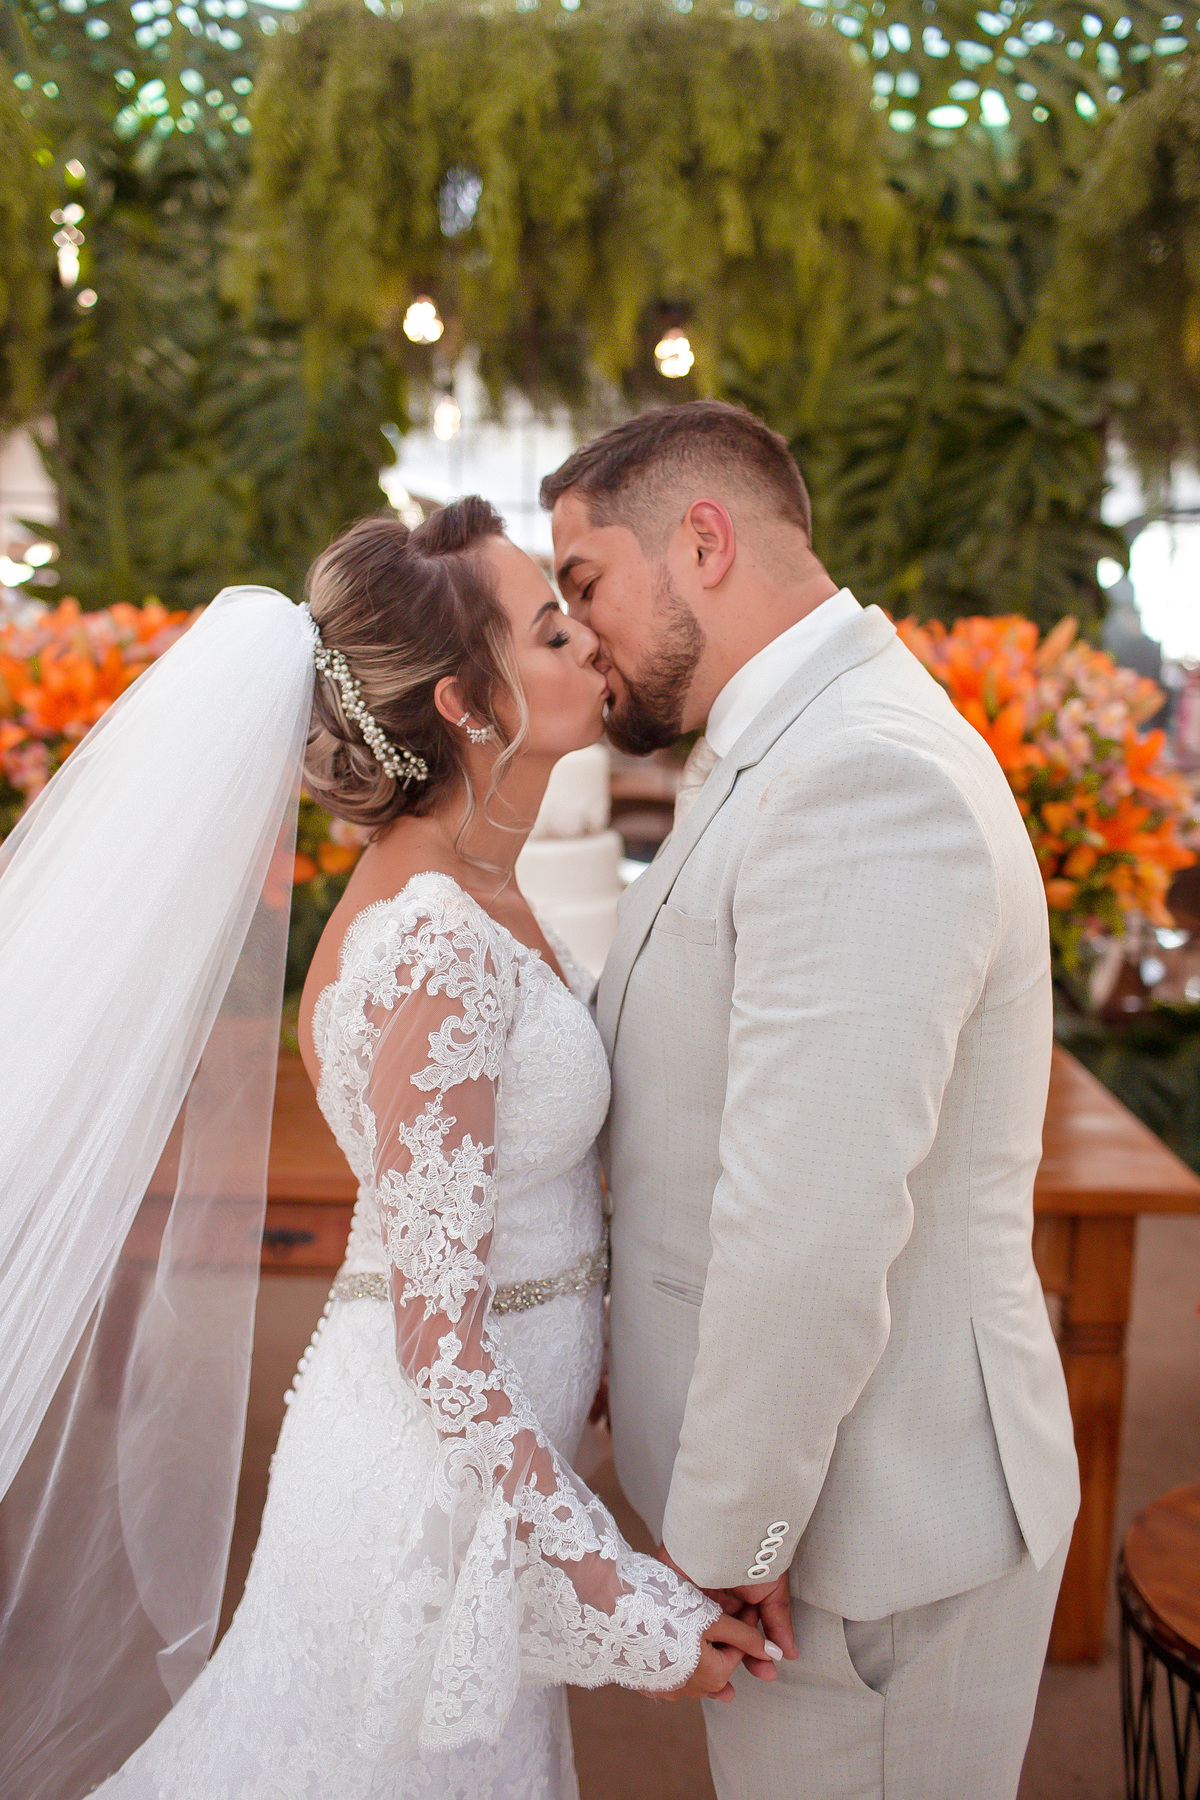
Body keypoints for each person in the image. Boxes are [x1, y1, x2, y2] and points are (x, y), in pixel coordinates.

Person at [0, 500, 773, 1800]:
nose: (587, 638)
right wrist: (631, 1601)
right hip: (416, 1500)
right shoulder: (432, 941)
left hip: (476, 1476)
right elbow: (440, 1339)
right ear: (470, 702)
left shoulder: (476, 886)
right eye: (548, 626)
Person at [542, 400, 1082, 1800]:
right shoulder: (782, 746)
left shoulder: (861, 779)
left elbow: (813, 1231)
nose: (579, 633)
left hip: (873, 1534)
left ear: (702, 544)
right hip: (820, 1510)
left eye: (586, 582)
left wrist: (727, 1546)